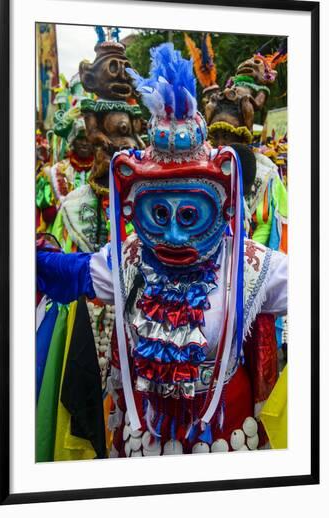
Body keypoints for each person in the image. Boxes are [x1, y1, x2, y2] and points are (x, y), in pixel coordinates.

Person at [37, 43, 287, 457]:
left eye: (189, 216)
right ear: (138, 207)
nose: (172, 236)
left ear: (220, 207)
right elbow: (71, 273)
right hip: (144, 441)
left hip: (226, 440)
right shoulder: (129, 258)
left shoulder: (249, 265)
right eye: (158, 214)